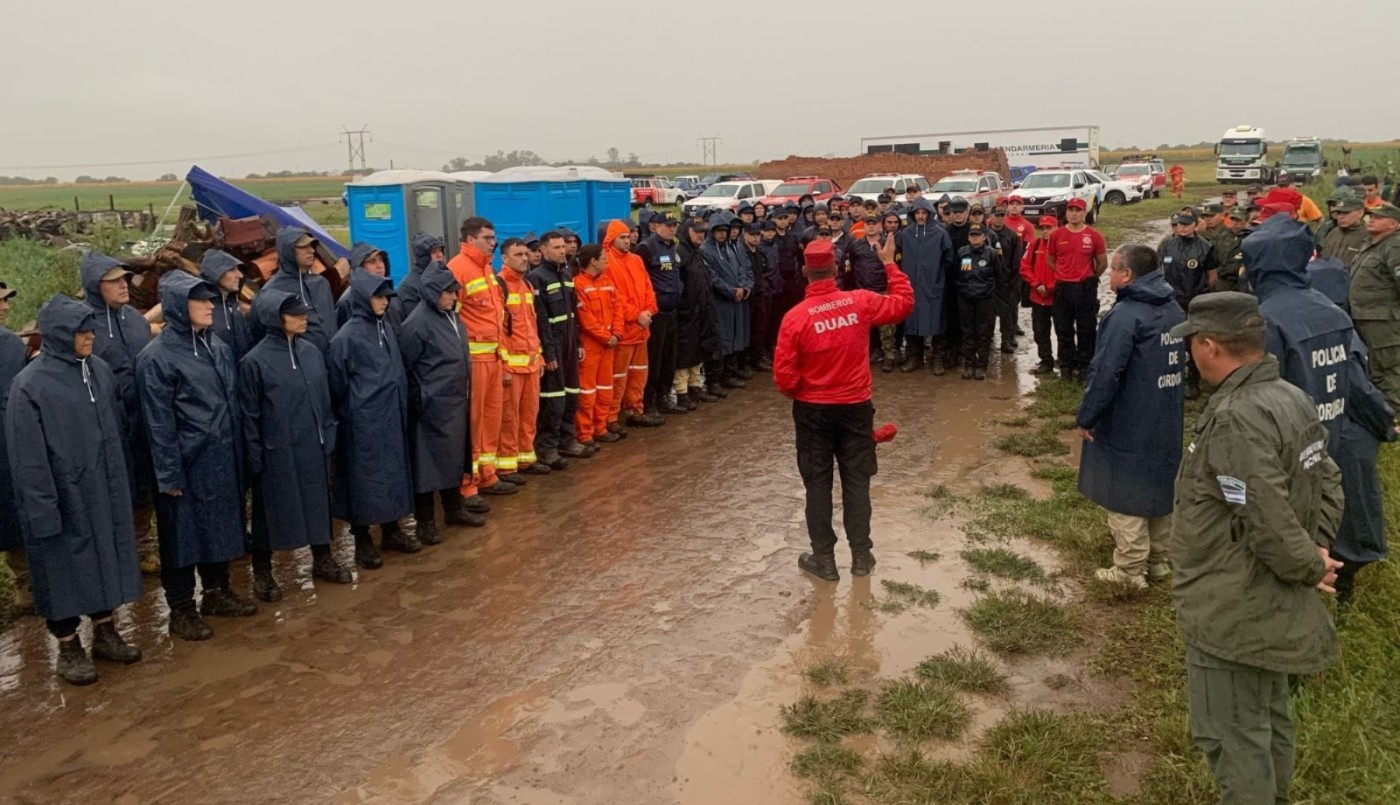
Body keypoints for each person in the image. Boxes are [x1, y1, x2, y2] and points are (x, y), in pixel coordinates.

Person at [1168, 292, 1344, 805]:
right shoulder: (1290, 395)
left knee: (1231, 733)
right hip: (1267, 596)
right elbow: (1327, 479)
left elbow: (1263, 509)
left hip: (1232, 602)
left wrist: (1307, 564)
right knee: (1267, 717)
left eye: (1192, 345)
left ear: (1209, 345)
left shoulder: (1237, 416)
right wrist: (1317, 547)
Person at [1246, 216, 1395, 606]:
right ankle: (1341, 590)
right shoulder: (1332, 312)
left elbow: (1259, 395)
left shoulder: (1266, 319)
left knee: (1290, 530)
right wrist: (1385, 425)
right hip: (1335, 435)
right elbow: (1359, 384)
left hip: (1287, 448)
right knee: (1337, 517)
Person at [7, 294, 143, 685]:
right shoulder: (29, 385)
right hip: (61, 495)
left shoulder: (98, 370)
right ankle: (68, 646)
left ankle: (105, 631)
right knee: (62, 570)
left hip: (102, 488)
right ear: (59, 334)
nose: (90, 337)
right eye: (81, 332)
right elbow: (27, 457)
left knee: (103, 559)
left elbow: (116, 428)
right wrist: (42, 509)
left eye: (90, 329)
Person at [775, 237, 914, 581]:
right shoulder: (860, 302)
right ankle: (862, 557)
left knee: (817, 485)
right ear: (835, 270)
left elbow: (785, 380)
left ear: (806, 272)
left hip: (812, 414)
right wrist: (889, 264)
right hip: (855, 409)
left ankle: (824, 562)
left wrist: (811, 387)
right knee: (857, 482)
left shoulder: (795, 319)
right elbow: (902, 303)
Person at [136, 271, 257, 641]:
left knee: (219, 528)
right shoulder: (156, 358)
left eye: (209, 299)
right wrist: (169, 475)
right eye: (199, 300)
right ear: (176, 307)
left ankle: (217, 592)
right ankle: (181, 608)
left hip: (221, 457)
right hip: (186, 462)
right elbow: (158, 423)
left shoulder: (216, 346)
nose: (209, 306)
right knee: (181, 537)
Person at [1075, 245, 1185, 589]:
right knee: (1158, 482)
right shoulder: (1173, 309)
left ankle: (1129, 570)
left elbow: (1106, 372)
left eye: (1114, 270)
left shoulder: (1125, 316)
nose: (1109, 274)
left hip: (1129, 416)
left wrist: (1087, 416)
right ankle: (1158, 561)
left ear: (1128, 276)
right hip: (1166, 413)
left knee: (1123, 489)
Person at [240, 290, 350, 603]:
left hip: (312, 445)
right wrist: (254, 457)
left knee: (317, 503)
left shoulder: (312, 352)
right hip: (275, 451)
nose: (305, 318)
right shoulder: (254, 362)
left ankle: (322, 557)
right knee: (271, 512)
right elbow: (249, 414)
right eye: (296, 314)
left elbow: (325, 398)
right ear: (275, 318)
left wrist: (328, 435)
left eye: (304, 312)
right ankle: (262, 570)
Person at [327, 268, 419, 570]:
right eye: (379, 297)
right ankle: (363, 539)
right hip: (363, 421)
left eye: (386, 297)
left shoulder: (385, 328)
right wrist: (357, 407)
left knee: (392, 474)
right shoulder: (346, 337)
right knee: (363, 481)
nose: (385, 303)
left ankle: (391, 529)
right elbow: (337, 384)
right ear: (364, 299)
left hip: (391, 416)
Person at [79, 253, 158, 578]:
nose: (124, 285)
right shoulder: (83, 325)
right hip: (103, 423)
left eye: (124, 278)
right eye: (114, 281)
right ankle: (111, 556)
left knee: (143, 485)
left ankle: (144, 548)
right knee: (108, 490)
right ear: (96, 286)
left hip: (141, 419)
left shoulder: (136, 320)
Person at [399, 263, 483, 546]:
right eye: (448, 293)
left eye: (454, 291)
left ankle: (454, 508)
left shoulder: (452, 317)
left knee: (453, 458)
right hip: (430, 408)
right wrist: (421, 399)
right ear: (433, 292)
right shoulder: (417, 323)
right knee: (426, 467)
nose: (453, 297)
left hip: (454, 403)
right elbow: (406, 367)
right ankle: (425, 523)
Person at [449, 216, 515, 499]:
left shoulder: (486, 269)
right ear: (470, 239)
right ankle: (468, 484)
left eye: (494, 238)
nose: (493, 243)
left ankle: (487, 474)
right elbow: (453, 320)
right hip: (474, 362)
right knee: (473, 424)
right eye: (488, 238)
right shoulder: (458, 269)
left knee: (491, 421)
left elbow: (496, 318)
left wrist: (504, 359)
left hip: (494, 358)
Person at [528, 231, 587, 466]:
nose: (562, 251)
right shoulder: (537, 279)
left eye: (563, 247)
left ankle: (567, 440)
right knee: (553, 399)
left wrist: (578, 342)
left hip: (570, 344)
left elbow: (573, 314)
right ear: (543, 250)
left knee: (572, 394)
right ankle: (547, 448)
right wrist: (548, 353)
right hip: (552, 344)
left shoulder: (565, 273)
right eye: (556, 247)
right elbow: (541, 321)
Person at [495, 238, 546, 482]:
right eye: (518, 255)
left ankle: (525, 458)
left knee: (528, 414)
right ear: (504, 258)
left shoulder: (525, 285)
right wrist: (503, 366)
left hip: (531, 364)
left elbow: (531, 325)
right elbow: (498, 331)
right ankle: (506, 467)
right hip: (512, 368)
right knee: (509, 418)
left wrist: (540, 356)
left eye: (525, 254)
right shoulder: (500, 285)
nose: (525, 258)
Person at [602, 219, 660, 432]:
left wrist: (649, 311)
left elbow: (648, 288)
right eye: (623, 238)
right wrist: (636, 315)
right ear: (611, 240)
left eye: (629, 237)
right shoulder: (607, 263)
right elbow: (614, 298)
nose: (628, 241)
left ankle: (635, 410)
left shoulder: (636, 260)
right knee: (618, 376)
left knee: (638, 374)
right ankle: (611, 416)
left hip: (641, 329)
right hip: (625, 331)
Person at [1047, 198, 1108, 382]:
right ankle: (1066, 366)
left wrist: (1090, 277)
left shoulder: (1094, 236)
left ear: (1084, 213)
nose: (1074, 213)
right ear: (1066, 212)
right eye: (1070, 210)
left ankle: (1084, 366)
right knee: (1063, 328)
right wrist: (1063, 273)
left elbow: (1102, 262)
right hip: (1063, 287)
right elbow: (1051, 260)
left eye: (1078, 210)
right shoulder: (1057, 235)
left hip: (1085, 288)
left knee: (1086, 328)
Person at [1159, 211, 1216, 398]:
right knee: (1172, 339)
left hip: (1195, 301)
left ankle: (1193, 381)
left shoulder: (1205, 247)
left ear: (1195, 224)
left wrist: (1202, 295)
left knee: (1194, 342)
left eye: (1185, 223)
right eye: (1178, 224)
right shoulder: (1168, 245)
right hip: (1172, 300)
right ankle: (1171, 377)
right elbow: (1161, 270)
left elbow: (1212, 277)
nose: (1181, 227)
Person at [1349, 202, 1400, 411]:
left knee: (1388, 367)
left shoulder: (1394, 246)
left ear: (1394, 224)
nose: (1372, 220)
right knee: (1372, 367)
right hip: (1364, 317)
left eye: (1379, 217)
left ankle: (1395, 411)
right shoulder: (1370, 243)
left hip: (1383, 320)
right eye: (1371, 216)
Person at [574, 244, 624, 448]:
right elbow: (585, 319)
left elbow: (618, 308)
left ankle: (600, 427)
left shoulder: (607, 282)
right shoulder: (578, 285)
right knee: (587, 392)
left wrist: (617, 334)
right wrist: (607, 337)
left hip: (608, 344)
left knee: (605, 388)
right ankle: (585, 433)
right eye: (603, 258)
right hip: (592, 345)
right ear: (593, 261)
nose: (607, 261)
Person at [636, 213, 685, 419]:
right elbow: (641, 282)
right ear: (656, 226)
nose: (672, 229)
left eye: (675, 225)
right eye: (668, 225)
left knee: (669, 358)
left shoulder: (671, 246)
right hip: (656, 315)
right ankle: (650, 402)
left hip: (672, 311)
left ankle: (665, 397)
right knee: (654, 360)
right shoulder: (646, 248)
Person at [896, 198, 952, 374]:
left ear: (929, 214)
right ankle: (914, 357)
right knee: (912, 322)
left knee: (936, 323)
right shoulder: (905, 234)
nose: (920, 216)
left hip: (933, 286)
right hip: (911, 286)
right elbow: (897, 257)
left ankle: (937, 359)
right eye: (917, 213)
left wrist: (937, 276)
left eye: (924, 213)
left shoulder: (940, 233)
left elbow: (949, 258)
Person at [259, 228, 337, 354]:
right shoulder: (272, 291)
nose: (311, 250)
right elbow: (261, 334)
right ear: (288, 250)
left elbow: (331, 323)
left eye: (311, 246)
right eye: (303, 247)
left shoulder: (321, 283)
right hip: (300, 362)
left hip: (332, 360)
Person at [700, 215, 753, 391]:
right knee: (722, 338)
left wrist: (744, 288)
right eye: (719, 231)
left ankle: (730, 372)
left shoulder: (730, 248)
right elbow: (713, 277)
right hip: (720, 301)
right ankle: (718, 377)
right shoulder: (706, 250)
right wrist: (731, 291)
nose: (722, 235)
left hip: (736, 299)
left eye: (725, 231)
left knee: (736, 336)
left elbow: (741, 270)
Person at [674, 217, 722, 408]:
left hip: (701, 310)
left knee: (697, 350)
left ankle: (695, 387)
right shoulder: (680, 253)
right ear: (687, 232)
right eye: (697, 232)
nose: (700, 235)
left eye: (703, 232)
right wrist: (684, 307)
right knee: (684, 353)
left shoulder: (697, 253)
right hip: (686, 312)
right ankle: (682, 392)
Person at [0, 281, 26, 599]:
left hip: (9, 439)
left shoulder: (10, 342)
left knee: (11, 510)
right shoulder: (8, 343)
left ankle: (23, 583)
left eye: (6, 300)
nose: (5, 306)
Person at [954, 224, 999, 380]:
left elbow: (999, 276)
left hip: (985, 299)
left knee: (984, 333)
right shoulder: (961, 252)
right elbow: (955, 274)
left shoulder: (992, 254)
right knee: (967, 333)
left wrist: (992, 295)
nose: (975, 237)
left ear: (984, 236)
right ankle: (969, 365)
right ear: (968, 237)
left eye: (978, 235)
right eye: (972, 235)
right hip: (965, 298)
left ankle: (981, 366)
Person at [1020, 215, 1060, 375]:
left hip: (1057, 297)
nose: (1045, 231)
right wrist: (1036, 284)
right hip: (1037, 297)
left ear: (1057, 228)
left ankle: (1065, 360)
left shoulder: (1062, 246)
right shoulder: (1034, 244)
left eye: (1048, 228)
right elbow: (1024, 267)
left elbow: (1066, 269)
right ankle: (1046, 361)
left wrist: (1050, 287)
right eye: (1042, 228)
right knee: (1040, 332)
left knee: (1063, 331)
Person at [201, 250, 253, 364]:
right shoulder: (202, 312)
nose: (239, 275)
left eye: (238, 269)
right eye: (231, 270)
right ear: (216, 273)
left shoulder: (234, 306)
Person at [336, 243, 403, 331]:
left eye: (381, 260)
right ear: (360, 268)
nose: (380, 265)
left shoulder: (391, 295)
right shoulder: (347, 302)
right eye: (372, 261)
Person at [987, 202, 1024, 354]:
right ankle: (987, 338)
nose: (1000, 219)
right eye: (997, 215)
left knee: (1007, 314)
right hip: (989, 281)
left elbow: (1017, 260)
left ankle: (1007, 340)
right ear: (991, 216)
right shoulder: (985, 234)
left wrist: (1013, 280)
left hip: (1006, 281)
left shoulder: (1012, 236)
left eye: (1002, 216)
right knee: (988, 313)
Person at [398, 233, 445, 321]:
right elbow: (414, 321)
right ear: (423, 256)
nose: (440, 255)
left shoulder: (444, 277)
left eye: (440, 250)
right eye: (434, 252)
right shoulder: (408, 287)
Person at [1318, 190, 1370, 267]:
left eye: (1346, 213)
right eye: (1339, 213)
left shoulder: (1368, 236)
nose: (1341, 217)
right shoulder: (1333, 233)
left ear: (1360, 213)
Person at [1209, 208, 1250, 292]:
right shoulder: (1220, 238)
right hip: (1222, 282)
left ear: (1246, 221)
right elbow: (1213, 261)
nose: (1235, 223)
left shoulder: (1251, 238)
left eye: (1238, 220)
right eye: (1233, 219)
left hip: (1241, 283)